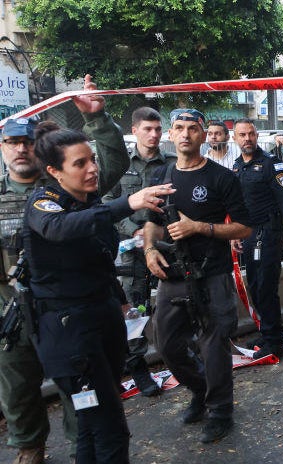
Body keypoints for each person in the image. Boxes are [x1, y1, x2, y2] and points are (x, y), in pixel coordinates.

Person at [23, 122, 180, 464]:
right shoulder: (44, 204)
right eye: (80, 163)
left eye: (92, 159)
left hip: (100, 323)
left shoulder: (88, 200)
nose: (92, 169)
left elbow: (96, 259)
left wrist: (121, 303)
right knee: (108, 428)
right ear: (55, 172)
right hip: (70, 336)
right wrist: (128, 203)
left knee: (94, 426)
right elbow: (61, 230)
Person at [0, 74, 125, 464]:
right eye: (11, 142)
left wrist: (97, 119)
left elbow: (111, 163)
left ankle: (80, 452)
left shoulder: (67, 187)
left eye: (26, 142)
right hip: (12, 308)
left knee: (80, 382)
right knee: (18, 383)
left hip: (66, 308)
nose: (20, 149)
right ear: (2, 148)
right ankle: (28, 446)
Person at [143, 108, 252, 444]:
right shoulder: (161, 175)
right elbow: (152, 222)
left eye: (193, 128)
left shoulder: (222, 177)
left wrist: (199, 228)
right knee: (166, 343)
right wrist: (150, 249)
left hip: (212, 274)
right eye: (179, 127)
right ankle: (200, 389)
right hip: (173, 275)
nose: (185, 134)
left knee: (213, 345)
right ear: (171, 134)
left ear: (204, 135)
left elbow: (244, 227)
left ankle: (220, 411)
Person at [102, 107, 176, 397]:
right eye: (147, 129)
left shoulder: (171, 163)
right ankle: (138, 368)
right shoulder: (120, 166)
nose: (154, 134)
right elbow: (107, 204)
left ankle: (181, 357)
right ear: (134, 131)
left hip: (166, 245)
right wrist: (133, 229)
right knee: (135, 309)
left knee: (177, 302)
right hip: (131, 251)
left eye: (158, 129)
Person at [229, 119, 283, 359]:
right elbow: (238, 204)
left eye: (251, 134)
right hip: (249, 234)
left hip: (270, 233)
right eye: (242, 135)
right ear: (235, 138)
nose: (247, 138)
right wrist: (235, 232)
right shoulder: (237, 166)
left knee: (265, 287)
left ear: (256, 135)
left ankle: (274, 342)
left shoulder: (271, 163)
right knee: (255, 285)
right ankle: (267, 332)